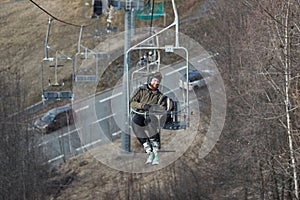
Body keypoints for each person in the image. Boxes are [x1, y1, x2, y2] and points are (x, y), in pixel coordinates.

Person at [129, 72, 173, 165]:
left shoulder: (159, 96)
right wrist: (143, 105)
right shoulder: (141, 90)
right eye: (154, 80)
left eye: (158, 81)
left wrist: (166, 107)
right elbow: (132, 102)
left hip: (151, 115)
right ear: (150, 81)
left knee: (150, 123)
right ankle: (146, 144)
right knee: (135, 123)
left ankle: (155, 144)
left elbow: (163, 107)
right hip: (140, 112)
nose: (156, 83)